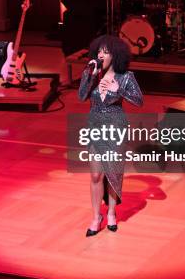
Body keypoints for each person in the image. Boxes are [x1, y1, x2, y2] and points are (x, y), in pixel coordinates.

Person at [78, 35, 143, 236]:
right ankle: (96, 216)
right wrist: (90, 75)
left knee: (113, 173)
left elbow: (139, 101)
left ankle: (112, 213)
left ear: (115, 56)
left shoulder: (126, 77)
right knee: (96, 174)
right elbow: (81, 96)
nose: (101, 55)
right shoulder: (91, 74)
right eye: (99, 51)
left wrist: (119, 90)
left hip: (116, 128)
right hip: (95, 127)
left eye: (105, 52)